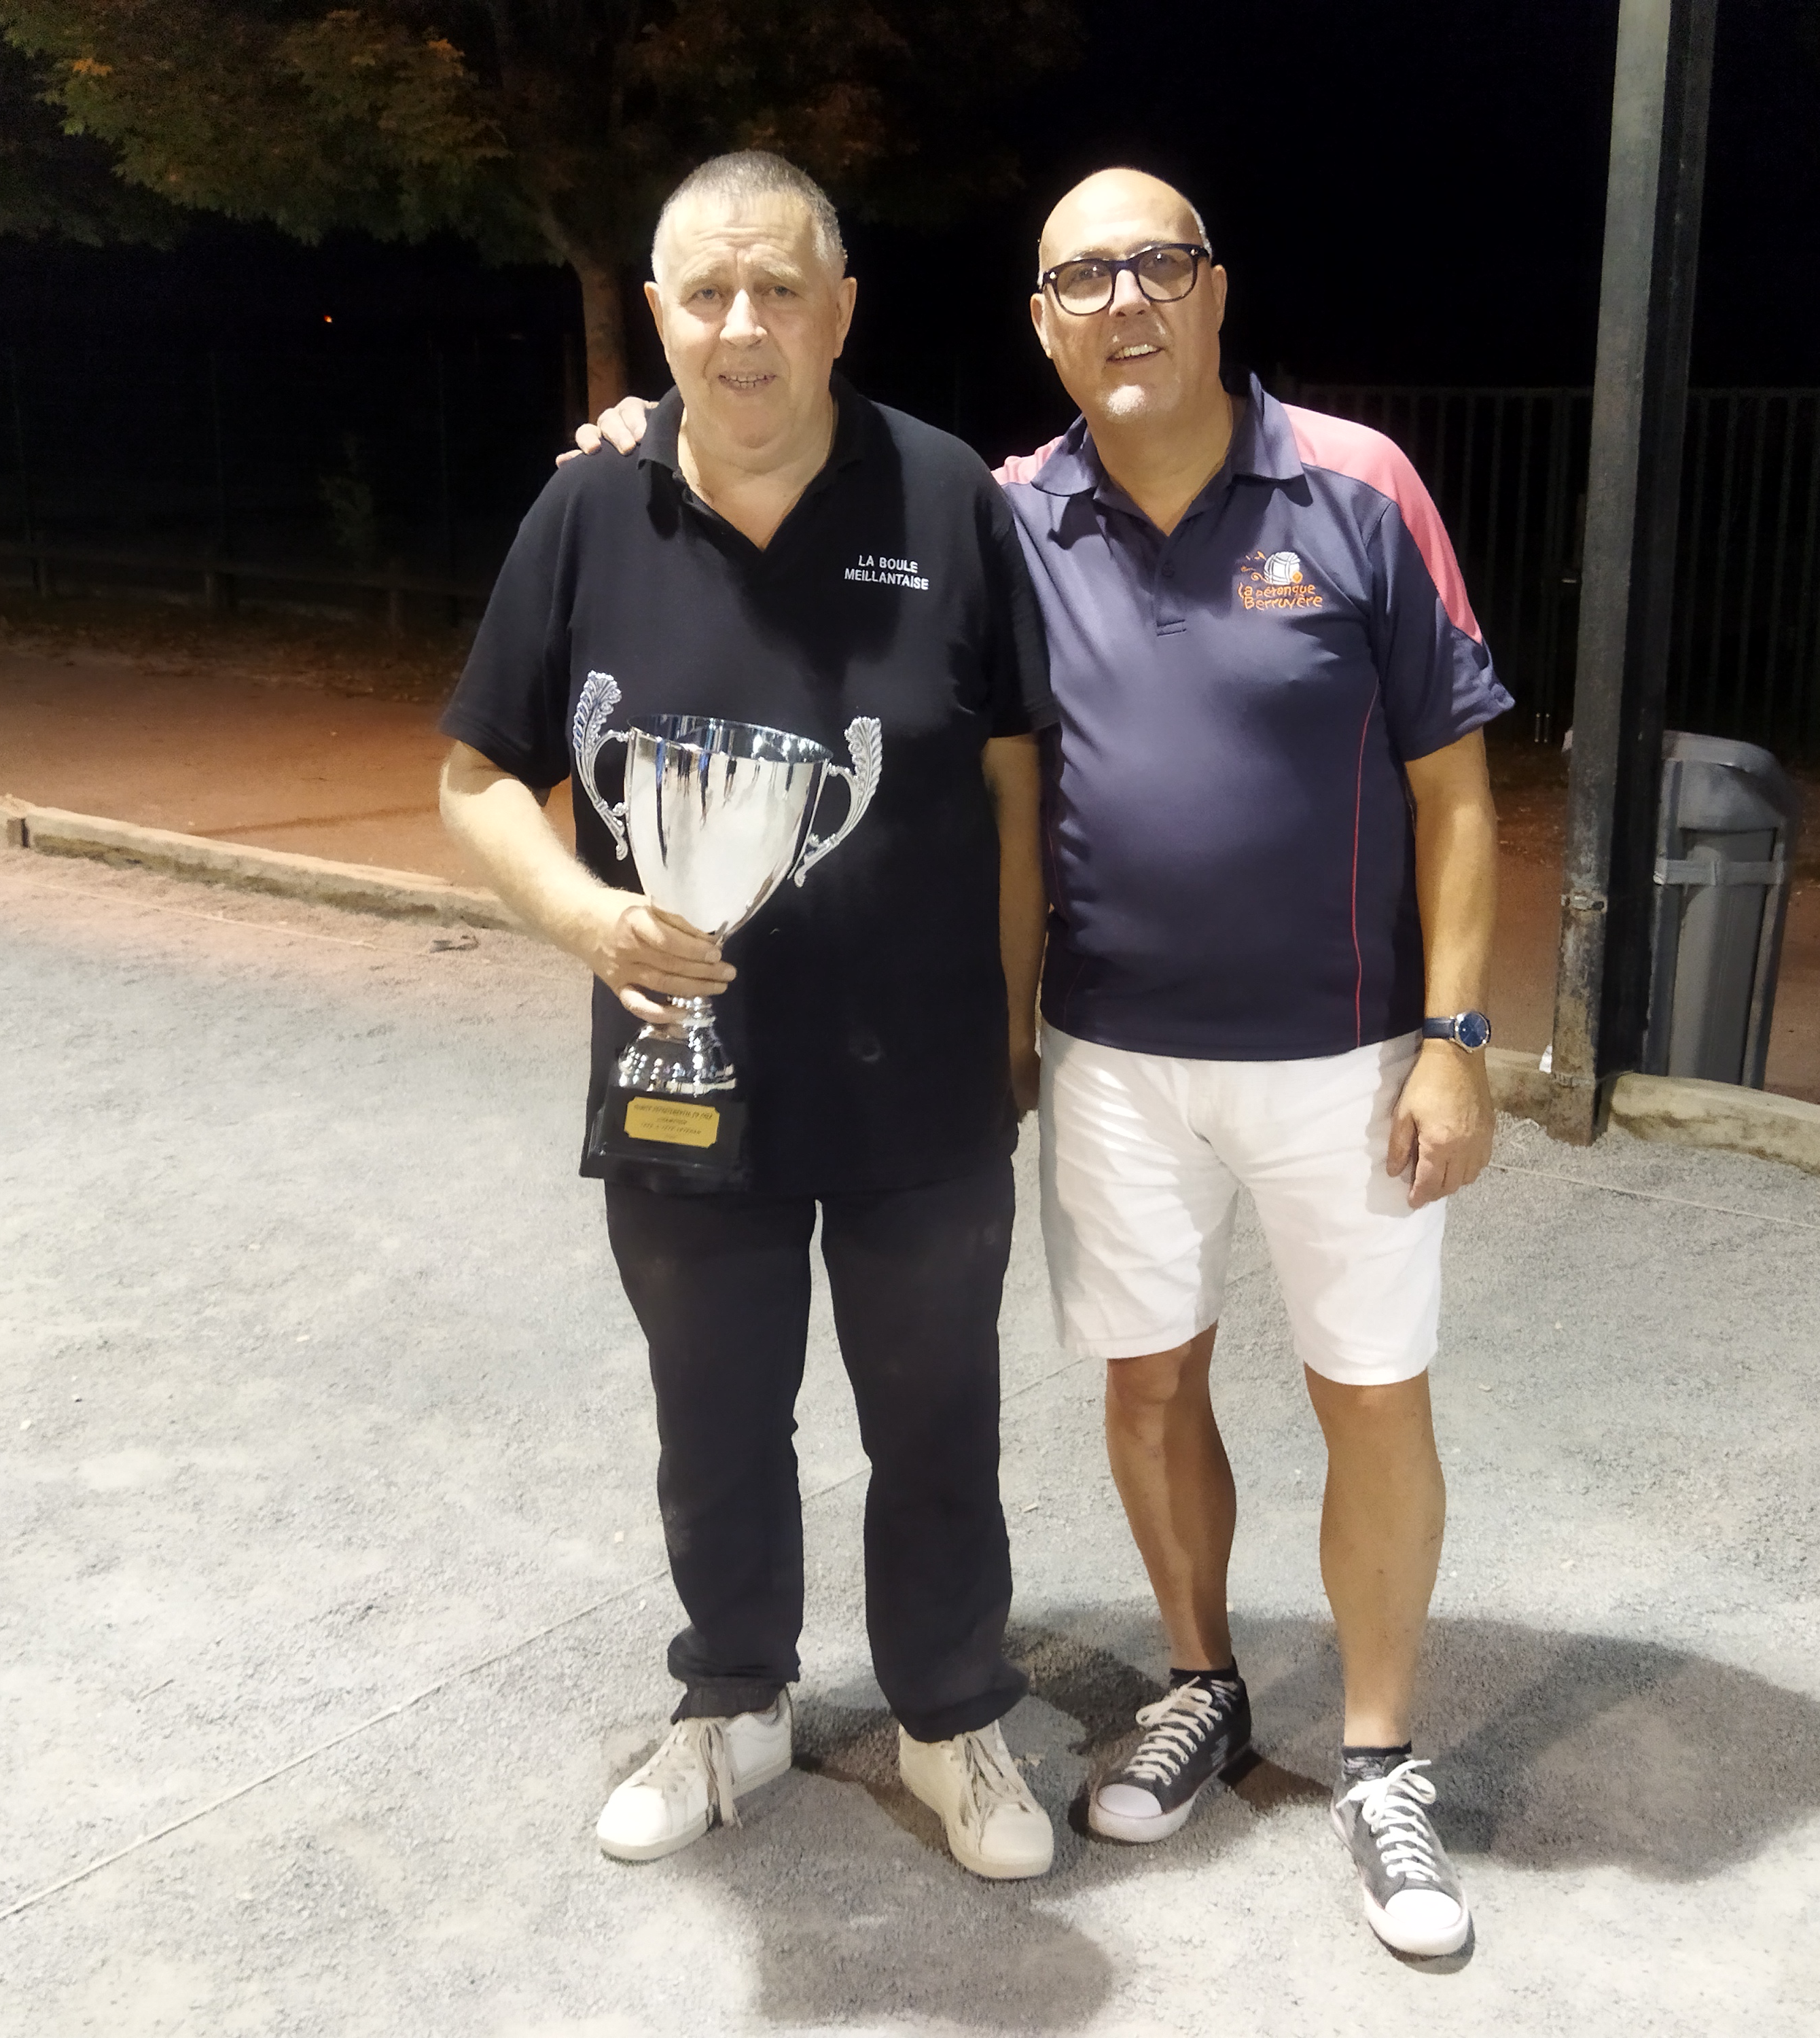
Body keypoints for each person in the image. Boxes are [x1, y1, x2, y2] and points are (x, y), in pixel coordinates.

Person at [569, 166, 1506, 1959]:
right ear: (1042, 324)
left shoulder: (1360, 486)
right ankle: (1205, 1677)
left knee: (1370, 1392)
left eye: (1159, 266)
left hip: (1348, 1051)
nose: (1125, 302)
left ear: (1217, 292)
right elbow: (816, 498)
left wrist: (1456, 1039)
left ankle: (1382, 1756)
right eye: (1084, 278)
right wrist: (644, 429)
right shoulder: (1011, 516)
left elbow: (1455, 789)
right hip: (1109, 1056)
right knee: (1149, 1391)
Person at [440, 150, 1060, 1882]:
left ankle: (948, 1717)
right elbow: (478, 776)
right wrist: (575, 909)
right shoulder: (588, 510)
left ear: (839, 309)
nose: (741, 325)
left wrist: (1011, 1025)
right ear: (656, 317)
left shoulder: (948, 500)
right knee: (712, 1412)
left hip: (923, 1078)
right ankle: (733, 1697)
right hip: (678, 1075)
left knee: (933, 1416)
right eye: (704, 293)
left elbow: (1016, 784)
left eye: (778, 288)